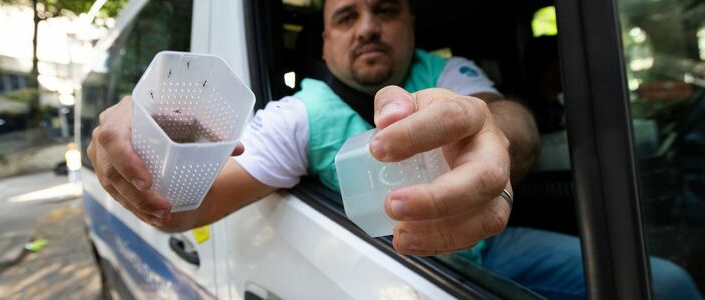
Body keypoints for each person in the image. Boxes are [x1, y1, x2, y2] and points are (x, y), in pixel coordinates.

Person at [90, 0, 699, 298]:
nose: (368, 27)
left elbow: (508, 117)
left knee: (666, 283)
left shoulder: (447, 71)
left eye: (385, 9)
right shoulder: (297, 117)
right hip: (401, 275)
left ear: (410, 23)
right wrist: (148, 129)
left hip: (495, 245)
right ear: (324, 45)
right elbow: (189, 208)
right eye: (346, 16)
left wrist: (491, 132)